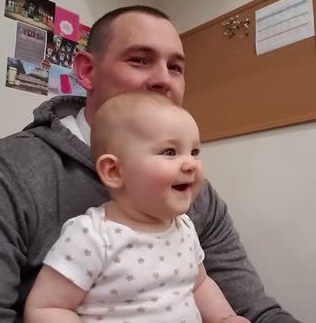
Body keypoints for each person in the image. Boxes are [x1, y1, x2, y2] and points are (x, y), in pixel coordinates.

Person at [0, 5, 301, 323]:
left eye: (175, 66)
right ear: (87, 70)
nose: (164, 79)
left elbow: (249, 305)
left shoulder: (193, 194)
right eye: (140, 60)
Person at [24, 91, 250, 323]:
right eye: (170, 152)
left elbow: (200, 285)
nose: (191, 163)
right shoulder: (91, 236)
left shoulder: (184, 227)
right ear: (114, 171)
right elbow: (47, 308)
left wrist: (226, 317)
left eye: (194, 152)